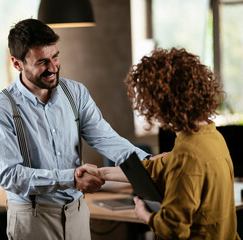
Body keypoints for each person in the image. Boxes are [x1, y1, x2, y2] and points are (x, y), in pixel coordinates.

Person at [0, 18, 151, 240]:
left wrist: (151, 162)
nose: (53, 67)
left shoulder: (75, 93)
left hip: (77, 212)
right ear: (17, 64)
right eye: (42, 62)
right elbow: (11, 176)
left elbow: (107, 139)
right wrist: (71, 178)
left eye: (55, 56)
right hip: (32, 218)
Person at [77, 48, 241, 239]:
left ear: (160, 102)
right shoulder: (211, 136)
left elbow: (173, 228)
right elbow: (152, 168)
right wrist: (100, 173)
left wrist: (145, 215)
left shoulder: (187, 153)